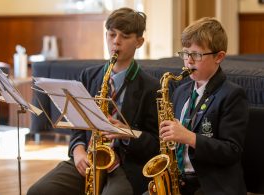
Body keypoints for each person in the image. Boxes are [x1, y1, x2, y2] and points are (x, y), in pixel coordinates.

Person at [27, 7, 160, 195]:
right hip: (88, 156)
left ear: (139, 42)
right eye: (112, 34)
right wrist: (78, 151)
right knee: (39, 191)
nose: (116, 42)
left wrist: (128, 134)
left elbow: (156, 144)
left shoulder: (151, 86)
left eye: (125, 36)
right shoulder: (89, 76)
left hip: (125, 165)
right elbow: (78, 125)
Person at [159, 17, 248, 195]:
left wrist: (190, 137)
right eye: (185, 53)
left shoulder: (232, 95)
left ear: (219, 57)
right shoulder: (180, 92)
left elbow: (232, 151)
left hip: (212, 184)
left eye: (197, 55)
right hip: (180, 180)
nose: (189, 61)